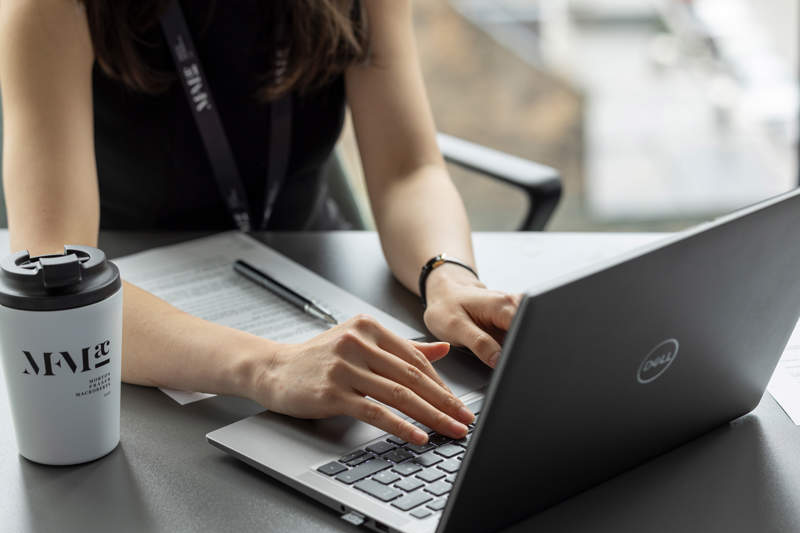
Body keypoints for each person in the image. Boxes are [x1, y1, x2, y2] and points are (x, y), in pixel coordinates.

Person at [0, 0, 521, 445]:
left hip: (313, 282)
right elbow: (57, 280)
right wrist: (268, 367)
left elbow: (408, 171)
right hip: (140, 318)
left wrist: (447, 273)